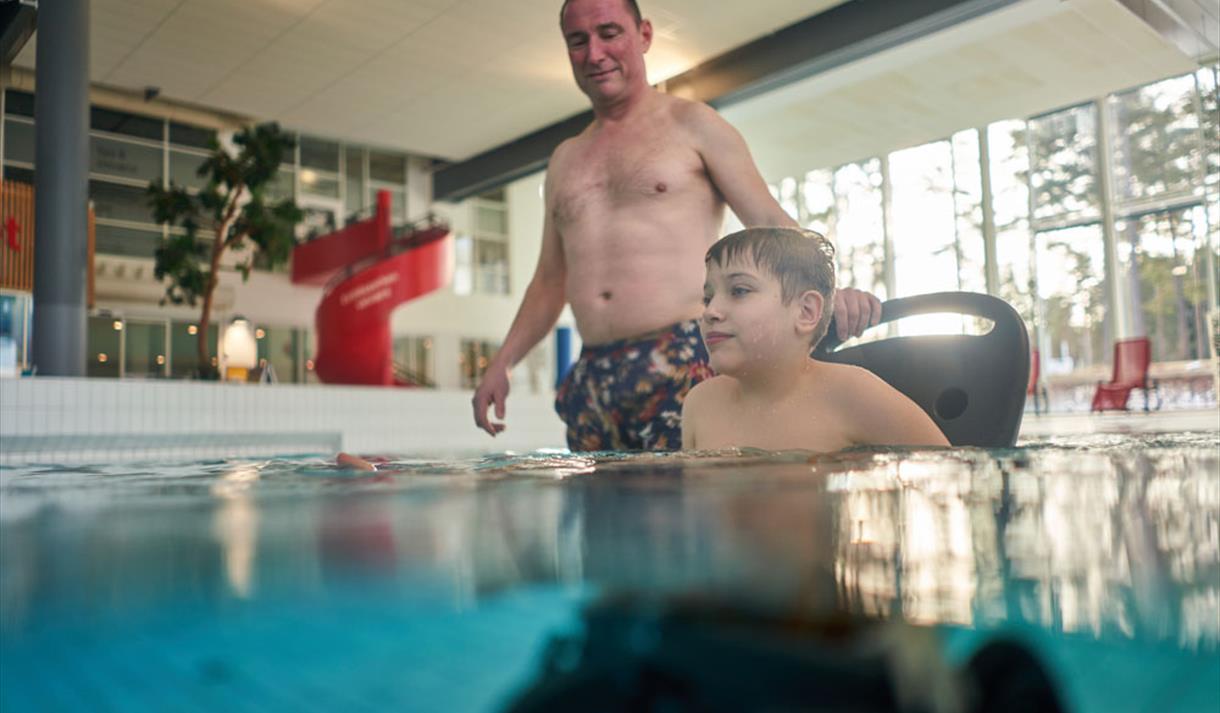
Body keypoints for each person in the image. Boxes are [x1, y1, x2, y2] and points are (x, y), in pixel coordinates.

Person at [472, 0, 881, 451]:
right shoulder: (564, 160)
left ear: (644, 35)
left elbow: (768, 221)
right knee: (599, 517)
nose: (594, 53)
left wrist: (829, 290)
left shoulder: (694, 125)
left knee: (693, 511)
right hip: (594, 375)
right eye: (578, 41)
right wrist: (503, 363)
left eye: (609, 33)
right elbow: (549, 281)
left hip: (683, 357)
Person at [682, 227, 948, 452]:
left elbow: (953, 476)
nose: (710, 312)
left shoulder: (852, 393)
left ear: (806, 311)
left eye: (739, 290)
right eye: (708, 298)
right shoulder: (701, 403)